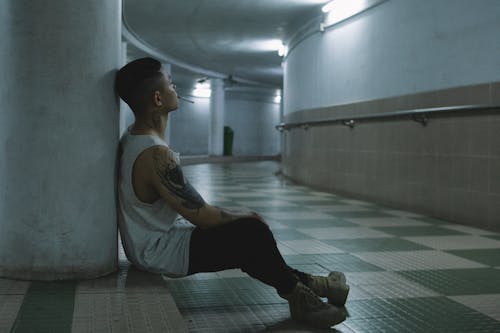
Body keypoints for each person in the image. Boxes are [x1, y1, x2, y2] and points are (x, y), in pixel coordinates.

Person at [114, 57, 350, 329]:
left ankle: (313, 286)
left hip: (152, 243)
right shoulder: (155, 154)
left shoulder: (132, 136)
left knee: (249, 245)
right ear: (157, 99)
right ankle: (304, 301)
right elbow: (202, 216)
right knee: (251, 232)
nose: (175, 89)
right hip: (158, 251)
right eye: (170, 84)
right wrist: (245, 215)